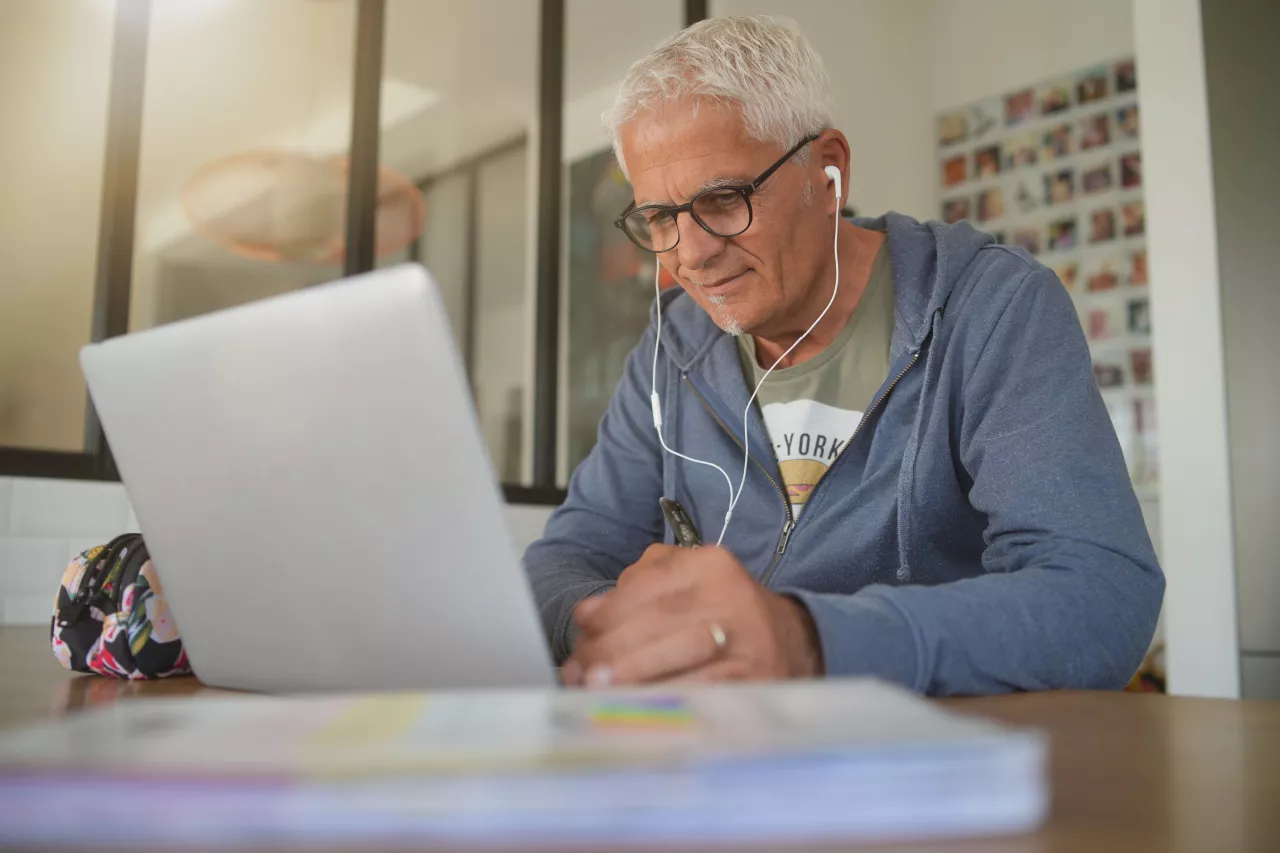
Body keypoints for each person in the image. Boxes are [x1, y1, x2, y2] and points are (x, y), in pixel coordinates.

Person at [523, 16, 1163, 695]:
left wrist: (807, 640)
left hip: (939, 762)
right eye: (659, 217)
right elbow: (560, 562)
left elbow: (1101, 594)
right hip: (733, 757)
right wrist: (612, 624)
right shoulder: (672, 344)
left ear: (828, 172)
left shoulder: (991, 307)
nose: (691, 253)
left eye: (722, 199)